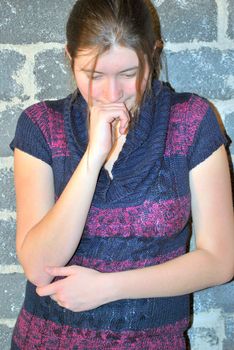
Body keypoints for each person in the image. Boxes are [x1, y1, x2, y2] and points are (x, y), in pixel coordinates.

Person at [10, 0, 234, 349]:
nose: (110, 95)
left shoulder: (191, 121)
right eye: (94, 75)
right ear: (70, 58)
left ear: (153, 54)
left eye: (128, 75)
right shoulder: (41, 127)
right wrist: (92, 159)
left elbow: (220, 261)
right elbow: (39, 268)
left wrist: (106, 287)